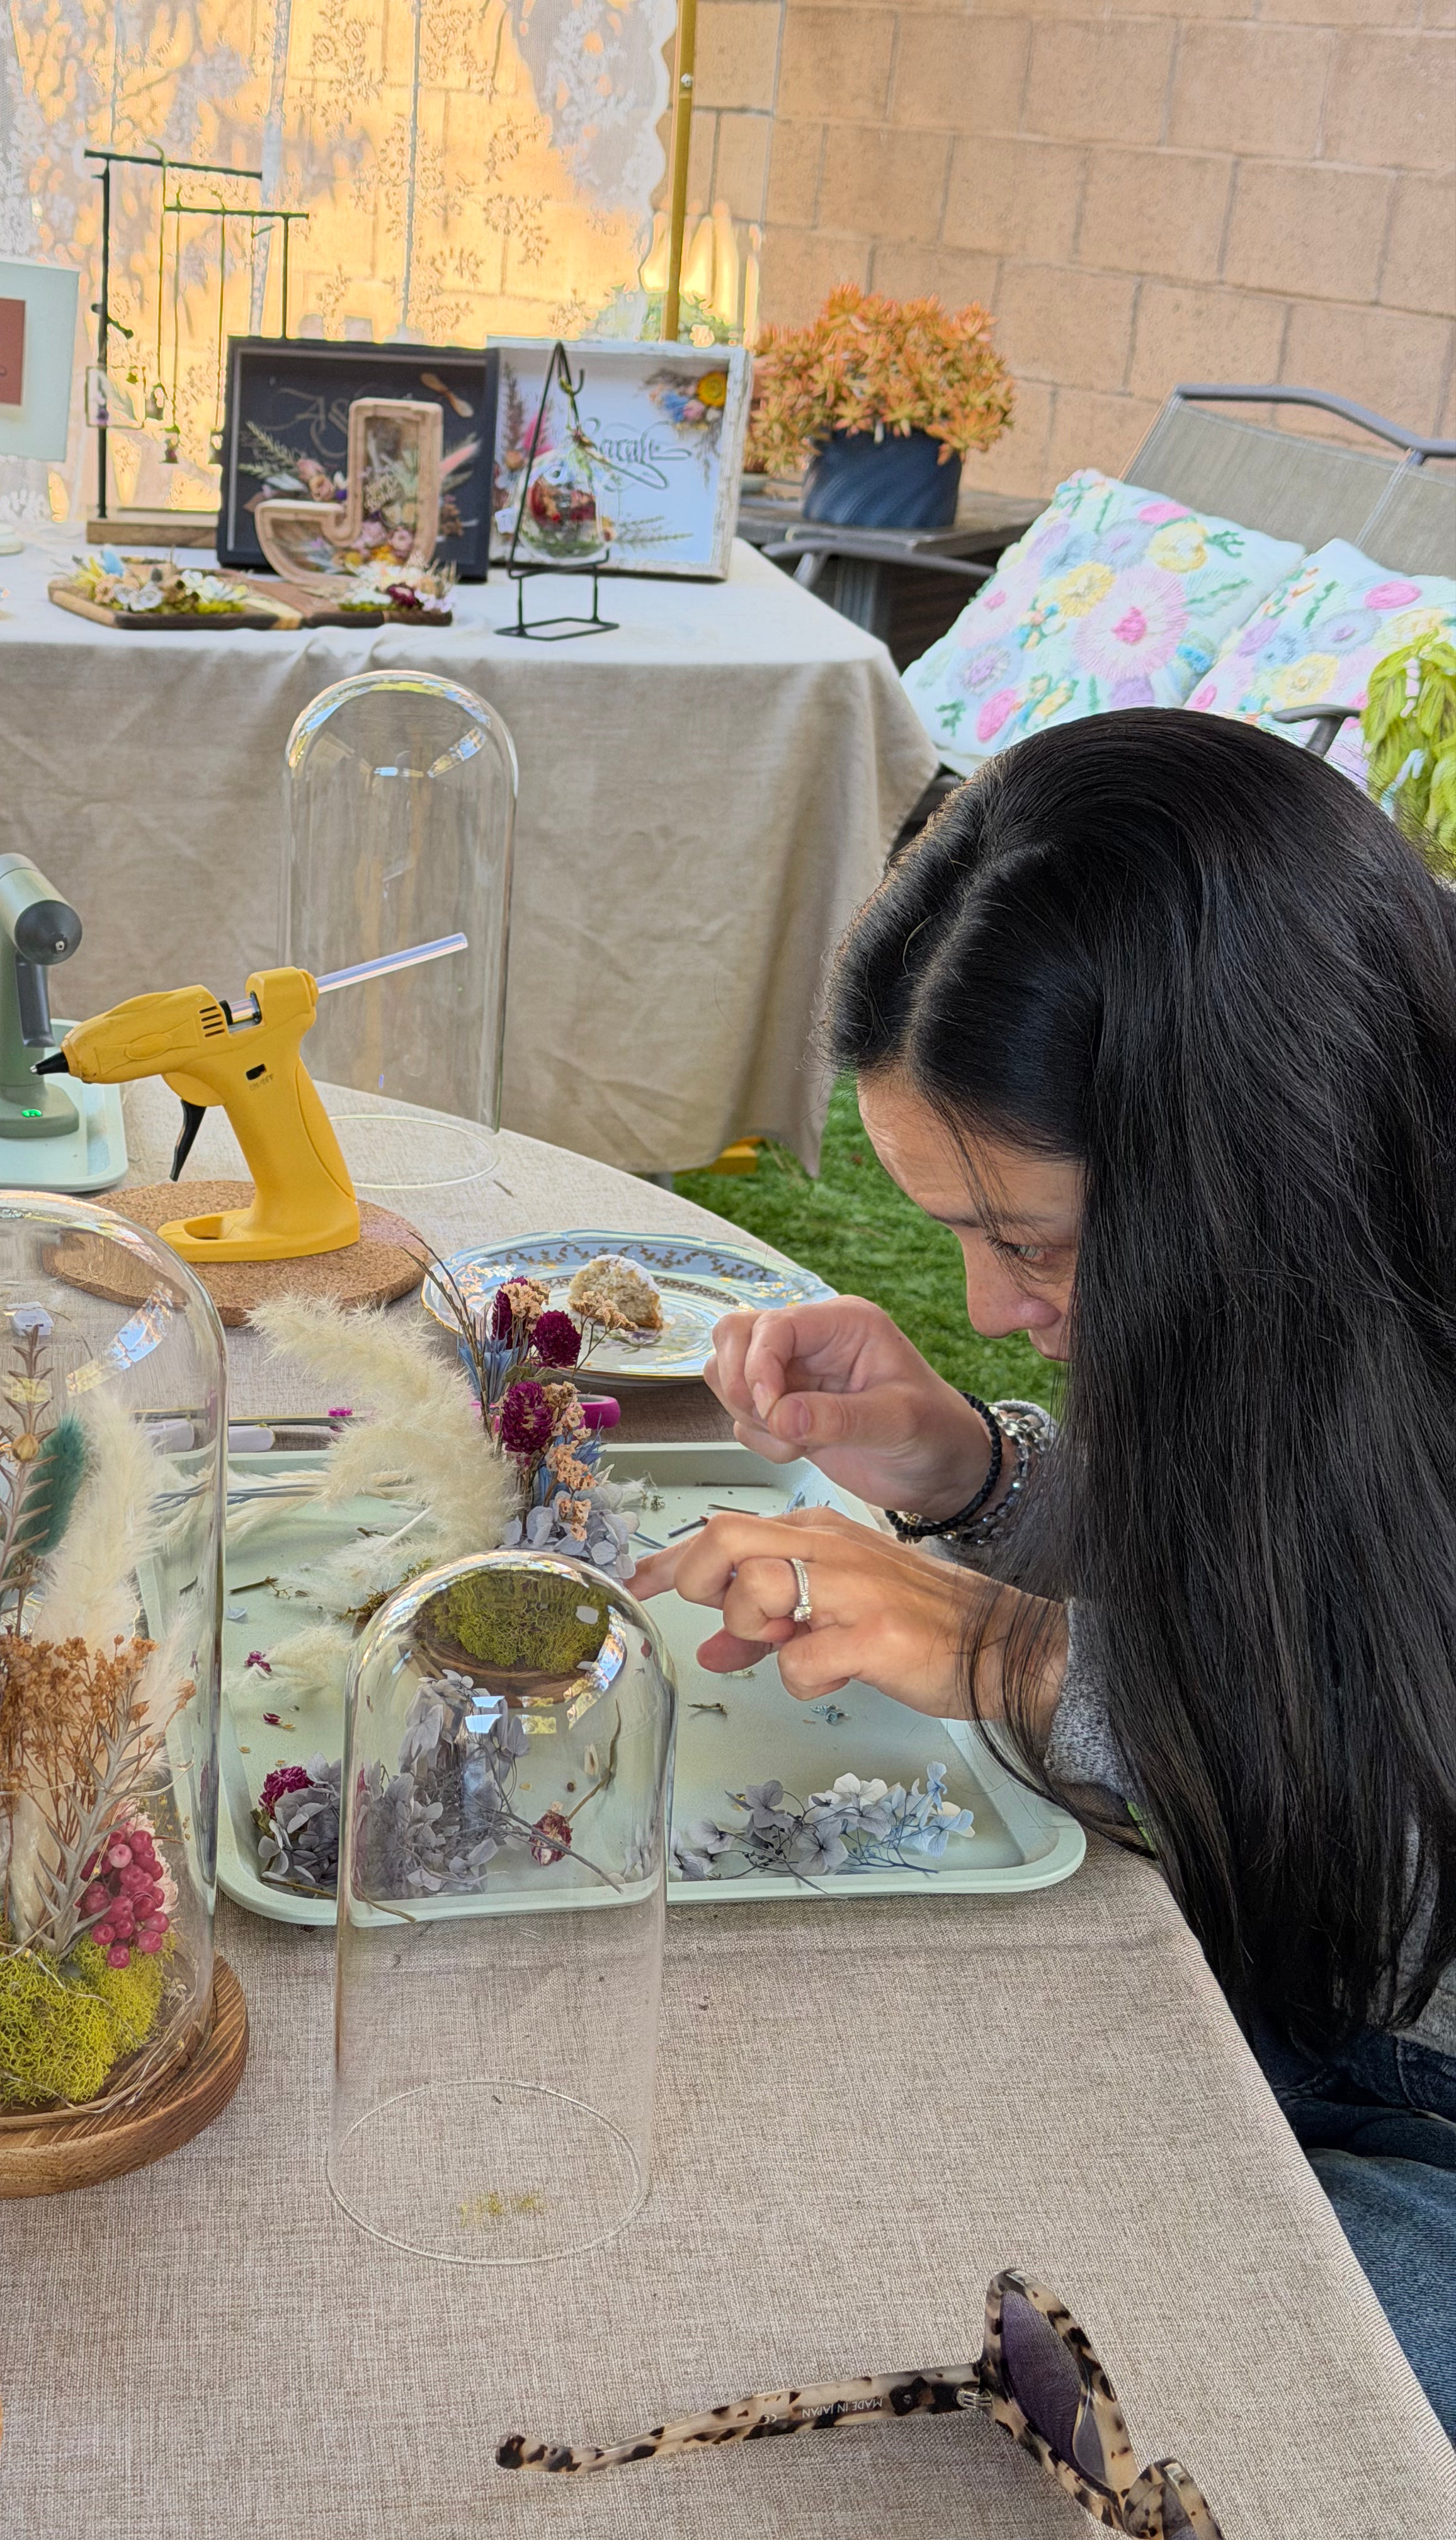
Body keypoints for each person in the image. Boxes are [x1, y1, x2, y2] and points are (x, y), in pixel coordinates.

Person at [632, 711, 1456, 2437]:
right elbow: (1313, 1592)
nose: (994, 1305)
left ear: (1253, 1167)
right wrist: (973, 1476)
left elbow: (1403, 1851)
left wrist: (1022, 1658)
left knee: (1139, 2357)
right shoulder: (1325, 1273)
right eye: (962, 1237)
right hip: (1291, 2004)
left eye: (1030, 1244)